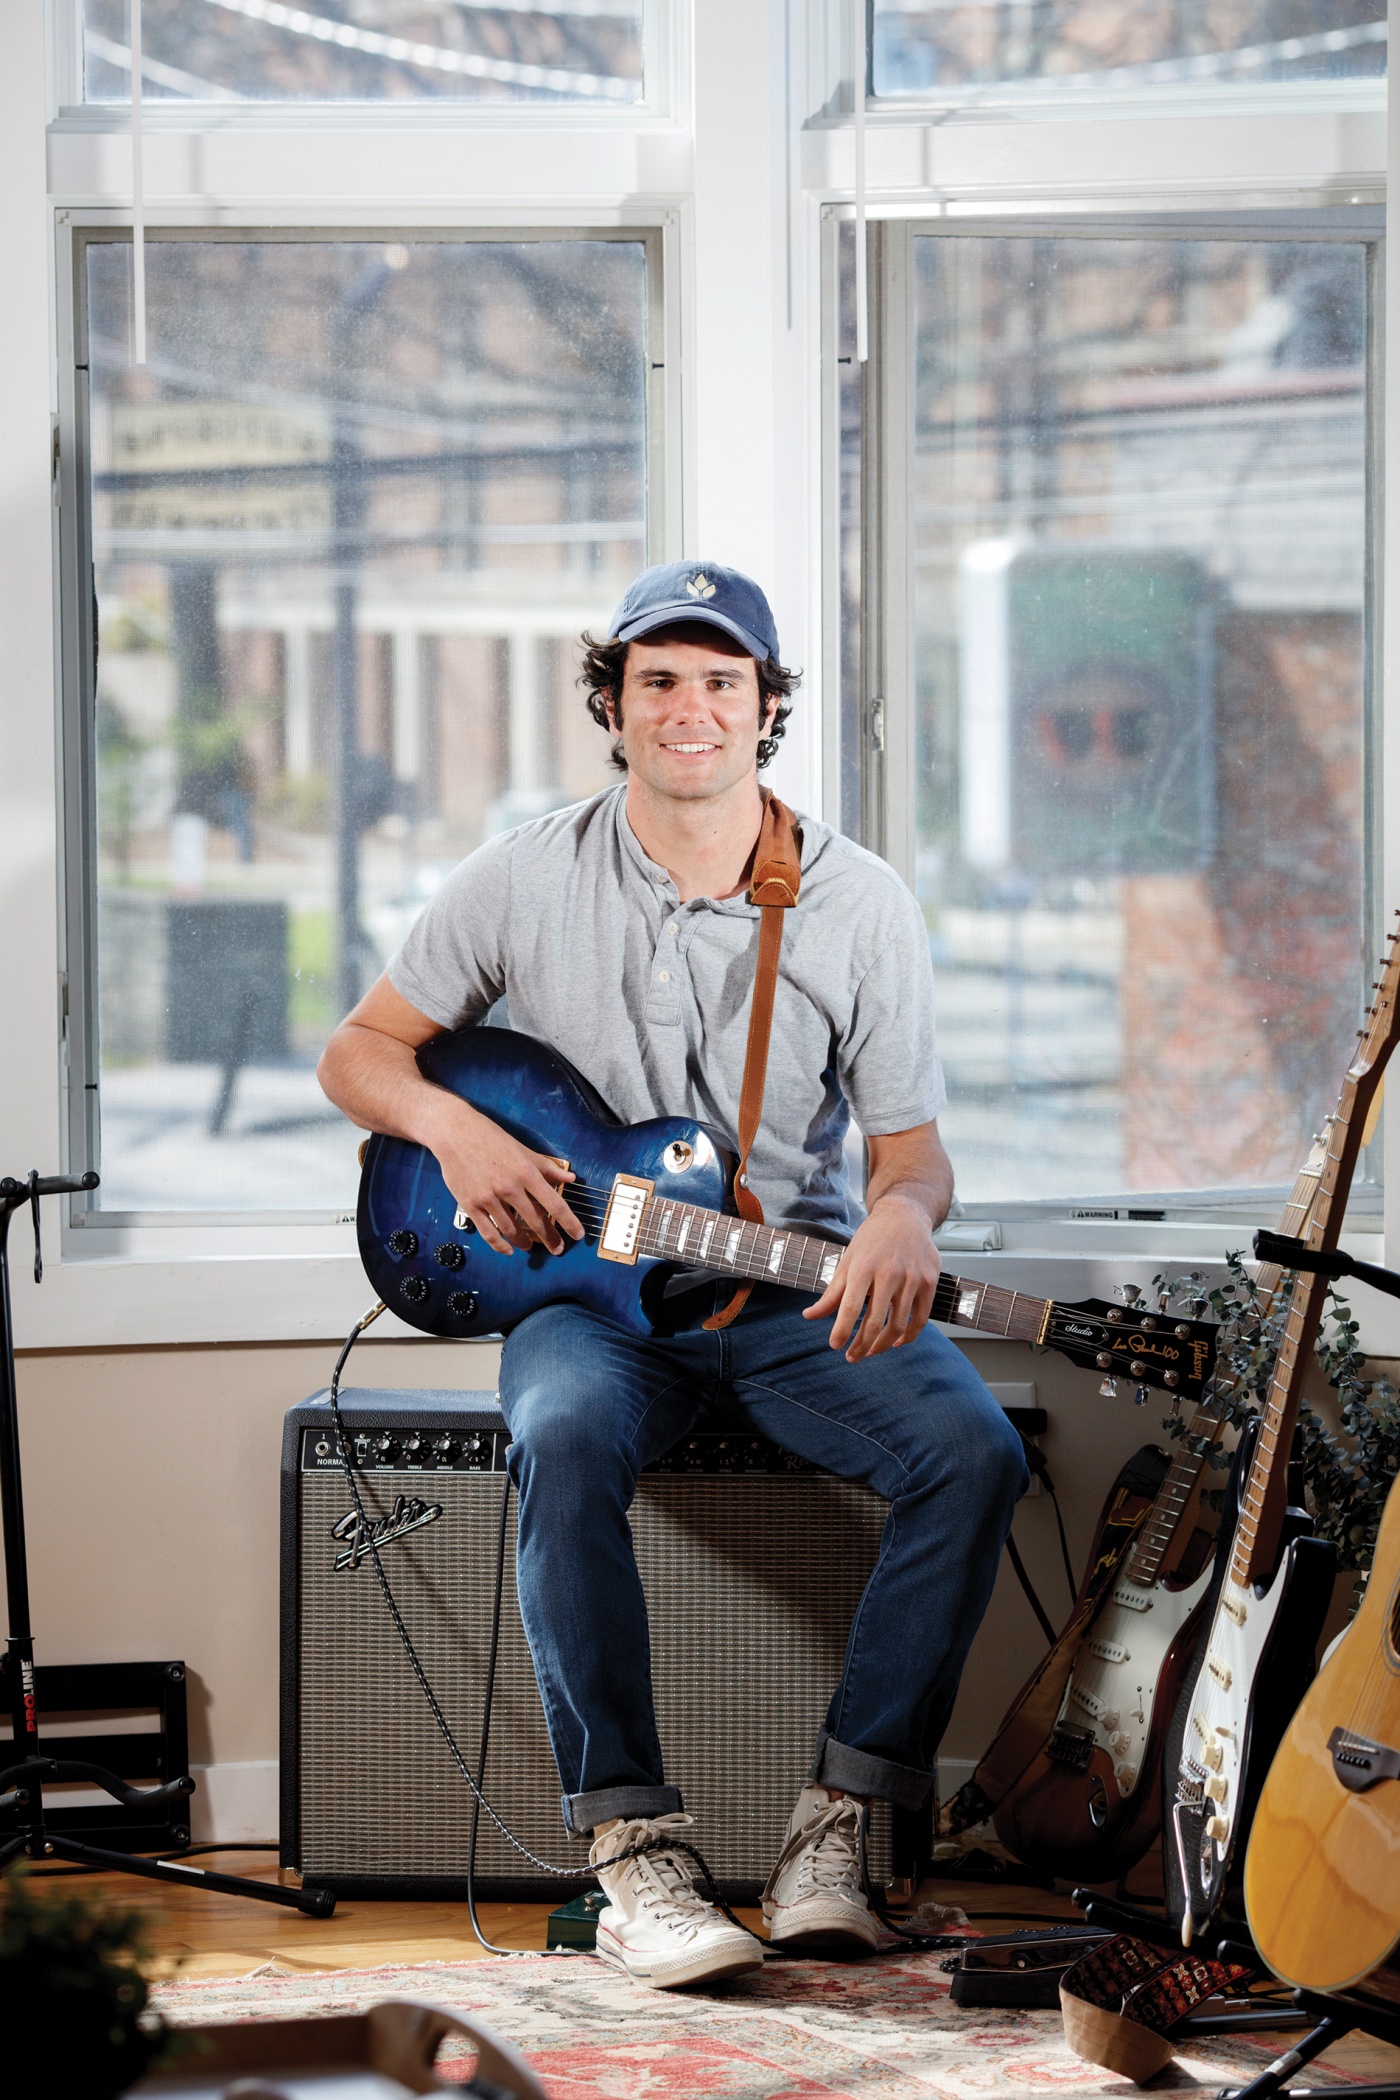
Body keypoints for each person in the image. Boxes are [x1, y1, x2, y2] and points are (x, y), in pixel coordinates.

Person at [317, 561, 1027, 1991]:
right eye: (658, 681)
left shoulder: (859, 902)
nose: (689, 708)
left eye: (720, 681)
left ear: (765, 709)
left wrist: (906, 1217)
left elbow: (911, 1156)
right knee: (562, 1435)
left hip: (788, 1293)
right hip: (585, 1303)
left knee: (976, 1454)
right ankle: (632, 1849)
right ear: (613, 704)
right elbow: (357, 1055)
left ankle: (837, 1829)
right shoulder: (521, 873)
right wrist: (455, 1133)